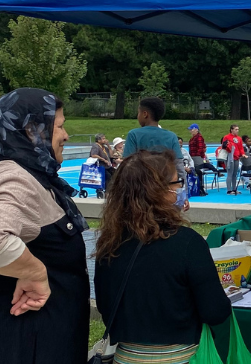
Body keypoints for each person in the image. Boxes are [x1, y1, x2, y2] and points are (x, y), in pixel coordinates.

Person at [0, 88, 89, 362]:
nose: (65, 136)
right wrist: (35, 272)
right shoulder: (16, 180)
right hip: (27, 348)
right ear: (32, 131)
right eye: (59, 127)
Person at [94, 150, 231, 362]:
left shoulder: (109, 245)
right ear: (161, 191)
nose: (180, 188)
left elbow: (107, 309)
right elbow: (216, 312)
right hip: (182, 358)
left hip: (126, 357)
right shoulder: (187, 243)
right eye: (177, 182)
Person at [123, 98, 188, 209]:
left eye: (138, 113)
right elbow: (179, 167)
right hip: (165, 191)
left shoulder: (134, 135)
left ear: (145, 114)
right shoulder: (171, 136)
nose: (137, 116)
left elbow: (126, 166)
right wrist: (183, 195)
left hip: (141, 192)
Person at [188, 124, 215, 196]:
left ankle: (200, 188)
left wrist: (199, 156)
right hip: (193, 157)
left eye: (191, 129)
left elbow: (200, 148)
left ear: (196, 129)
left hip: (196, 157)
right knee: (197, 172)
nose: (190, 131)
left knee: (198, 172)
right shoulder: (193, 138)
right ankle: (199, 188)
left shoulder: (199, 137)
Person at [222, 124, 245, 195]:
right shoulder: (226, 137)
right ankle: (229, 190)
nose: (237, 131)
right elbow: (224, 146)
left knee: (235, 174)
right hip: (229, 157)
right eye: (236, 129)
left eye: (238, 129)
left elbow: (240, 147)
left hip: (236, 157)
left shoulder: (239, 138)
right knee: (230, 173)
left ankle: (234, 189)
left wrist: (242, 154)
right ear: (231, 130)